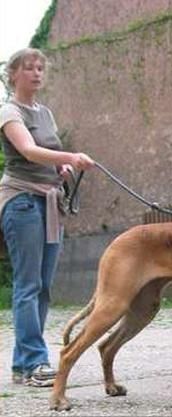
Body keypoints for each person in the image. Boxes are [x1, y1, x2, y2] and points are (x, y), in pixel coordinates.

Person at [0, 48, 94, 387]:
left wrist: (63, 167)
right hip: (22, 201)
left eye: (40, 68)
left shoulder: (46, 113)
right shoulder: (9, 111)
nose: (37, 73)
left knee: (43, 287)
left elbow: (49, 155)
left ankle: (22, 365)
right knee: (28, 285)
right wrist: (70, 155)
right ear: (13, 74)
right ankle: (35, 363)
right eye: (29, 68)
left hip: (51, 203)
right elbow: (28, 151)